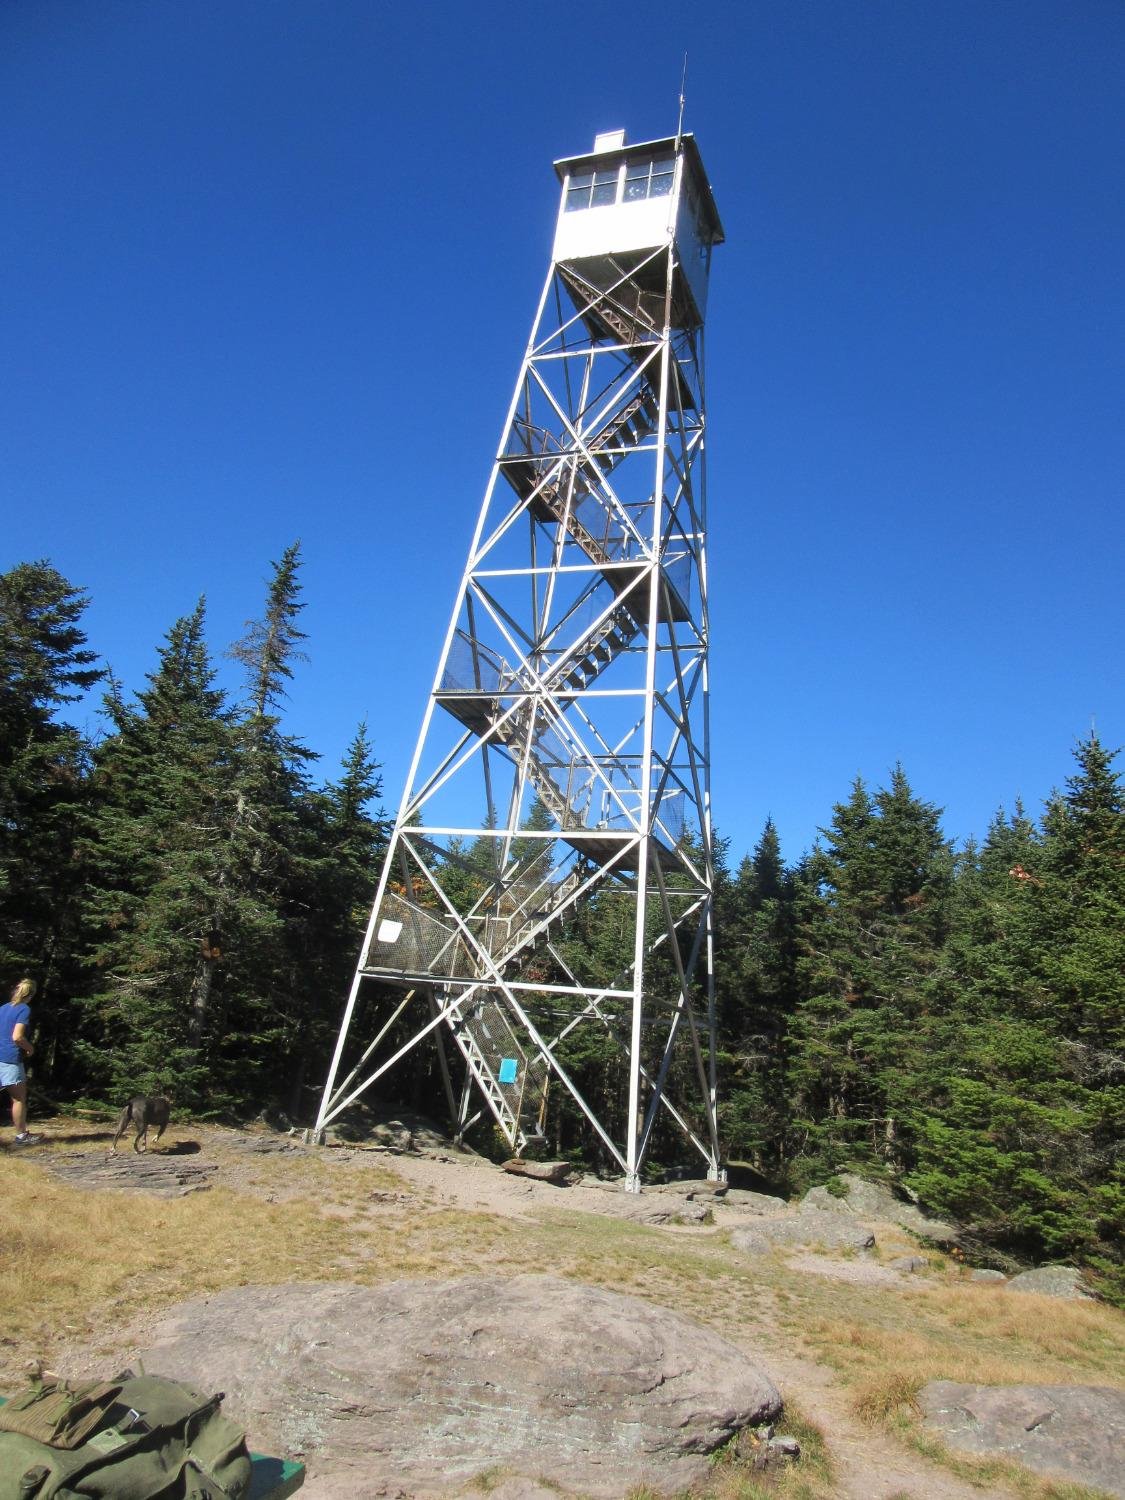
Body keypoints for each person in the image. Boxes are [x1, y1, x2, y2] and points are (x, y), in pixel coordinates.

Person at [1, 977, 40, 1146]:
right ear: (30, 995)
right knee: (18, 1099)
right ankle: (21, 1136)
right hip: (10, 1058)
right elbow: (17, 1036)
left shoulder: (3, 1008)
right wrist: (29, 1048)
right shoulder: (23, 1009)